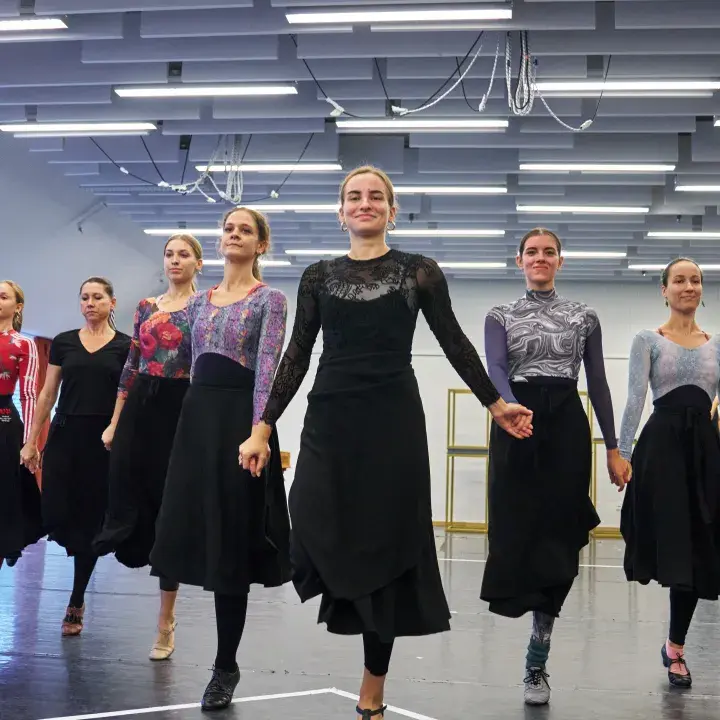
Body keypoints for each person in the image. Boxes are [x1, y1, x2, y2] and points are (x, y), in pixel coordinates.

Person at [238, 165, 534, 720]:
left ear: (392, 211)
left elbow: (454, 341)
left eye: (376, 196)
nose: (365, 203)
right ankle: (338, 590)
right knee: (308, 510)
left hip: (393, 420)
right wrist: (262, 427)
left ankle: (372, 688)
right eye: (354, 196)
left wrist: (495, 404)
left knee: (389, 546)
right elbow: (297, 353)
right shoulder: (318, 276)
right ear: (341, 211)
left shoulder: (418, 272)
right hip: (331, 415)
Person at [149, 207, 291, 711]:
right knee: (187, 532)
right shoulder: (197, 303)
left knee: (232, 545)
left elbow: (268, 368)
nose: (234, 234)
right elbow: (170, 365)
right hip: (195, 423)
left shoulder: (270, 299)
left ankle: (225, 665)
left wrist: (259, 433)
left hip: (239, 426)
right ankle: (168, 626)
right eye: (229, 228)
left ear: (260, 244)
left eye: (245, 230)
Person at [480, 228, 629, 705]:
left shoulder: (584, 316)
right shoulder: (500, 314)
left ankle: (537, 654)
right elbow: (495, 367)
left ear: (560, 261)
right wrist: (508, 407)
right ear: (519, 260)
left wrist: (613, 447)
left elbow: (598, 381)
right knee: (518, 529)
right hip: (516, 420)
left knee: (560, 534)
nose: (540, 258)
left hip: (565, 421)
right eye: (532, 252)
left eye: (549, 252)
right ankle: (521, 606)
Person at [92, 235, 203, 661]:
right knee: (128, 486)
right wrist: (115, 421)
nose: (175, 260)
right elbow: (131, 365)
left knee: (170, 506)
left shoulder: (206, 306)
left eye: (183, 255)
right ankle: (121, 538)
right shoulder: (145, 307)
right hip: (143, 401)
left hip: (183, 404)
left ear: (197, 263)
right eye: (169, 254)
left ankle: (165, 619)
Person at [618, 257, 720, 690]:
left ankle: (675, 646)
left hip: (704, 452)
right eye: (679, 280)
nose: (688, 286)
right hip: (661, 451)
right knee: (674, 543)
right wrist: (622, 453)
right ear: (664, 289)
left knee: (700, 546)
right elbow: (635, 398)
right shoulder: (648, 340)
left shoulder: (717, 345)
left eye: (695, 280)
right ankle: (675, 650)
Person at [21, 278, 131, 636]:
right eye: (84, 297)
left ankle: (76, 599)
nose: (90, 303)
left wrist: (116, 429)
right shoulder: (64, 342)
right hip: (65, 434)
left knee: (89, 522)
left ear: (112, 302)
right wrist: (32, 440)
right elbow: (47, 393)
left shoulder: (125, 346)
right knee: (55, 509)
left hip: (102, 440)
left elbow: (126, 394)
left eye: (97, 297)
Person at [0, 280, 43, 569]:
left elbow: (29, 394)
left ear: (17, 306)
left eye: (3, 296)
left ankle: (7, 543)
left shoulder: (23, 343)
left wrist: (30, 442)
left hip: (4, 419)